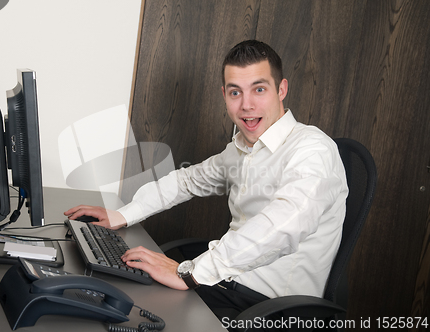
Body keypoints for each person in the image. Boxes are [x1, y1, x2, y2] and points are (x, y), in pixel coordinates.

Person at [64, 40, 348, 322]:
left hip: (270, 309)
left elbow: (283, 225)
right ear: (224, 94)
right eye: (235, 92)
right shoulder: (241, 150)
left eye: (259, 89)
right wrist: (122, 214)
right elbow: (187, 181)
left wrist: (190, 272)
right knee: (118, 296)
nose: (246, 105)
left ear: (281, 89)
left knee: (135, 314)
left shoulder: (313, 150)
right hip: (224, 283)